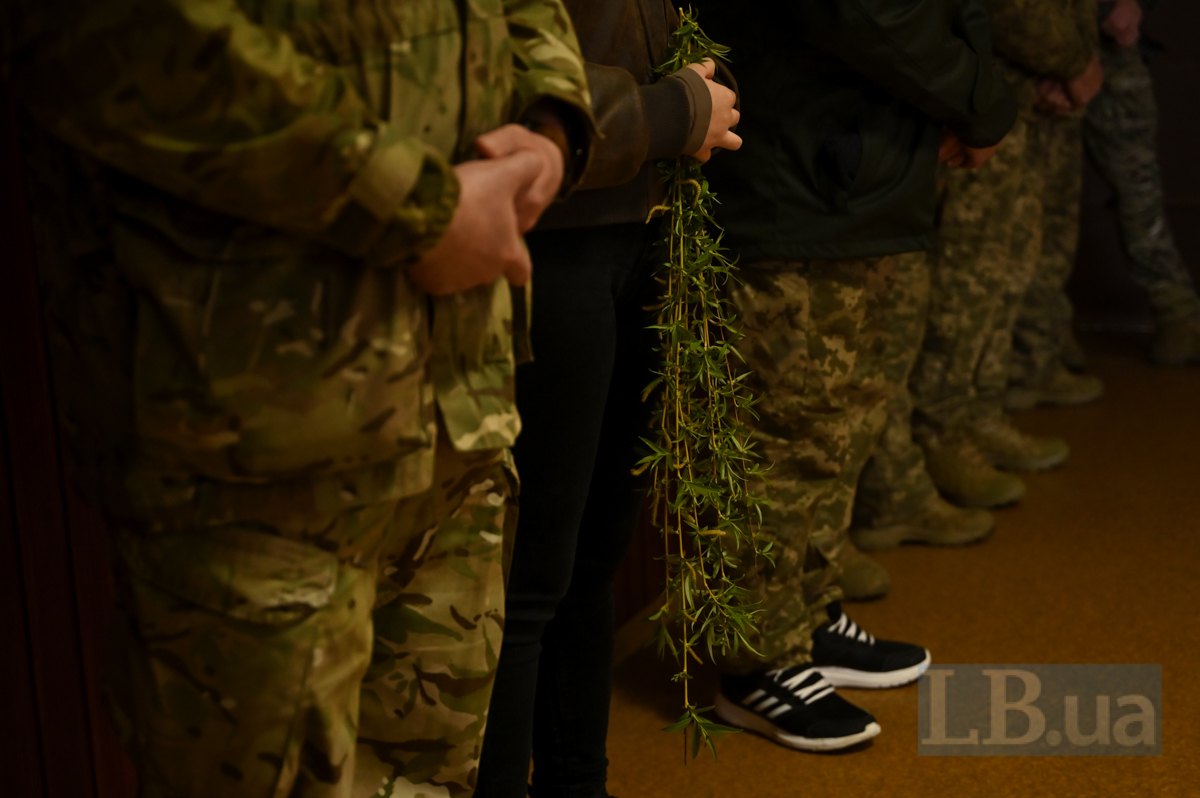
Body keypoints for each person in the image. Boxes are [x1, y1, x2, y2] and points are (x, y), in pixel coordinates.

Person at [6, 1, 593, 796]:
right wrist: (415, 209)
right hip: (258, 444)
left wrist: (551, 127)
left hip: (457, 410)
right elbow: (117, 30)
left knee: (432, 776)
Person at [694, 0, 1015, 749]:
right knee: (788, 433)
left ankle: (804, 615)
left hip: (861, 176)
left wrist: (972, 105)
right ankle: (756, 660)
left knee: (843, 426)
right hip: (802, 176)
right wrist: (982, 104)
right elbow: (867, 11)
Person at [474, 4, 741, 796]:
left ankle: (578, 784)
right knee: (528, 578)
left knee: (594, 557)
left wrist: (711, 89)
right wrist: (675, 110)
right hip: (551, 242)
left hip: (644, 228)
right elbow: (505, 82)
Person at [909, 0, 1103, 509]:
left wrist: (1066, 67)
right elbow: (1009, 8)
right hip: (979, 97)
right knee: (968, 277)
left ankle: (979, 413)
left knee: (1003, 271)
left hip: (1015, 94)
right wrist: (1072, 62)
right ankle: (941, 430)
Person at [1084, 0, 1200, 366]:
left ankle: (1178, 315)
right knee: (1038, 192)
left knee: (1138, 186)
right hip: (1034, 44)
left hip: (1100, 43)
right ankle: (1037, 336)